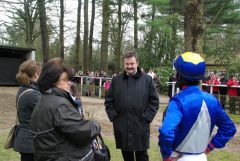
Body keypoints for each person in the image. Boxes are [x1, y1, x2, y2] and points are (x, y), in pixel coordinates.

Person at [159, 52, 236, 161]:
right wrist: (210, 147)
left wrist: (166, 156)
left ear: (179, 76)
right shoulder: (212, 100)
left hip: (178, 156)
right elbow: (229, 128)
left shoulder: (178, 101)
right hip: (201, 157)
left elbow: (166, 132)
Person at [30, 58, 101, 161]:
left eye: (69, 80)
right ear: (52, 81)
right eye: (64, 80)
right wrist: (95, 124)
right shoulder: (60, 105)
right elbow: (82, 132)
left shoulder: (44, 100)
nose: (69, 83)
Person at [105, 51, 159, 161]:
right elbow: (109, 101)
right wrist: (115, 117)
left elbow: (154, 101)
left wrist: (146, 118)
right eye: (127, 64)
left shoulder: (147, 80)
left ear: (137, 63)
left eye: (132, 64)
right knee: (127, 157)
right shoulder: (116, 80)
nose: (129, 66)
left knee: (142, 157)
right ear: (124, 64)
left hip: (140, 125)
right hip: (122, 125)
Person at [13, 60, 41, 161]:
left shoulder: (24, 88)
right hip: (30, 143)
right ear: (37, 74)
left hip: (26, 141)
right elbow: (48, 112)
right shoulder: (32, 94)